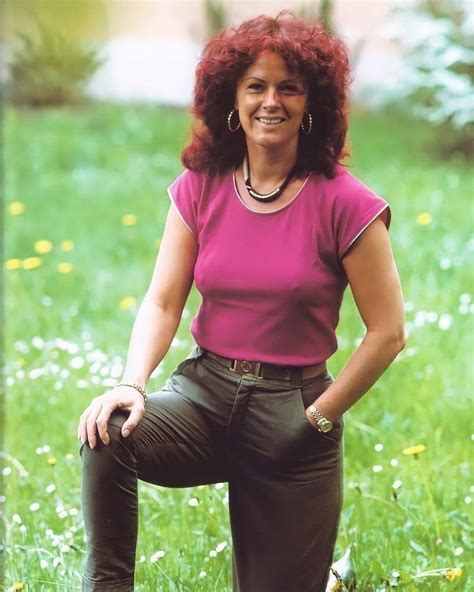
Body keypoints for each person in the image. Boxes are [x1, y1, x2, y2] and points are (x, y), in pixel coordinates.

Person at [77, 11, 405, 592]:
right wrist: (132, 382)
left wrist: (319, 417)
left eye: (289, 87)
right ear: (232, 97)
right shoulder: (203, 185)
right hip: (203, 396)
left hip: (293, 413)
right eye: (256, 85)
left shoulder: (346, 204)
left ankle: (328, 580)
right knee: (108, 434)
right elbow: (161, 301)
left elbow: (387, 331)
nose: (270, 101)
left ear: (313, 103)